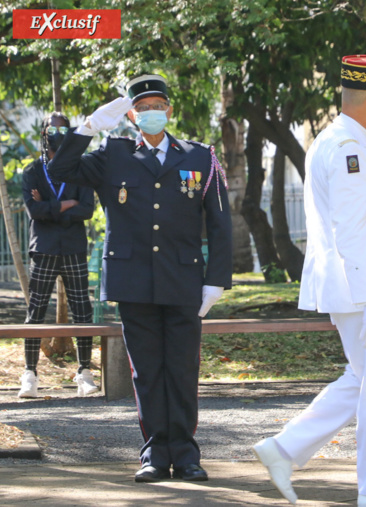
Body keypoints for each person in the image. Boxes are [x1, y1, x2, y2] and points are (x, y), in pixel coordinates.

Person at [252, 55, 366, 507]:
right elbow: (351, 230)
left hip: (355, 283)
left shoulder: (341, 139)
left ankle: (285, 448)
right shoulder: (350, 150)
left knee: (365, 379)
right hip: (361, 284)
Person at [48, 75, 232, 483]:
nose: (151, 113)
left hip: (184, 280)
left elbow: (220, 223)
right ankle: (153, 453)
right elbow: (60, 168)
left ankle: (185, 453)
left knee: (182, 369)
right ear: (131, 115)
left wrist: (216, 279)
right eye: (142, 107)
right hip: (133, 280)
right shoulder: (112, 154)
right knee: (146, 371)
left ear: (170, 110)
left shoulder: (201, 157)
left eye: (157, 106)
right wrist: (87, 128)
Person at [18, 112, 97, 399]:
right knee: (36, 310)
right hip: (44, 248)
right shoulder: (31, 172)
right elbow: (33, 211)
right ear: (44, 132)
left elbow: (87, 210)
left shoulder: (81, 169)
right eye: (53, 128)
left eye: (64, 129)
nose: (57, 133)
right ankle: (29, 374)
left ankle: (84, 372)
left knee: (82, 310)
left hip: (74, 247)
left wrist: (51, 207)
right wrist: (66, 204)